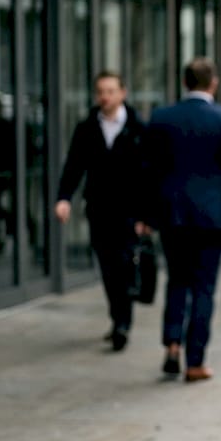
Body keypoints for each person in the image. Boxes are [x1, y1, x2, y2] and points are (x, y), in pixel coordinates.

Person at [137, 58, 221, 383]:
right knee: (204, 288)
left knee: (177, 281)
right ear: (213, 83)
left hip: (173, 216)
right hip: (211, 217)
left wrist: (146, 215)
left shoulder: (163, 118)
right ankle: (195, 362)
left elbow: (147, 171)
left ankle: (173, 343)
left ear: (184, 82)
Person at [54, 71, 146, 351]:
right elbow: (74, 165)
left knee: (123, 264)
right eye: (100, 92)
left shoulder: (138, 128)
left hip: (129, 211)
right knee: (107, 267)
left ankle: (123, 324)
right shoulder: (87, 128)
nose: (105, 97)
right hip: (99, 210)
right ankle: (117, 316)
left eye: (110, 91)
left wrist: (146, 215)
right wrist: (64, 198)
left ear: (122, 93)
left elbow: (148, 174)